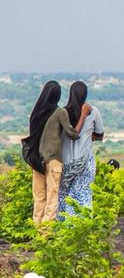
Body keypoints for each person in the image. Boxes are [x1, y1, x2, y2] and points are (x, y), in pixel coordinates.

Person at [23, 81, 82, 226]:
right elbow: (72, 134)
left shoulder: (36, 113)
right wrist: (84, 116)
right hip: (53, 160)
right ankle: (46, 232)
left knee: (39, 197)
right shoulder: (60, 112)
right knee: (52, 196)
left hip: (36, 161)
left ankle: (36, 229)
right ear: (57, 95)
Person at [58, 82, 104, 217]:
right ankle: (82, 227)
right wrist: (90, 136)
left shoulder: (63, 112)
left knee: (63, 195)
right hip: (85, 161)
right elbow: (100, 134)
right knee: (83, 193)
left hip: (66, 163)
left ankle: (64, 227)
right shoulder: (93, 111)